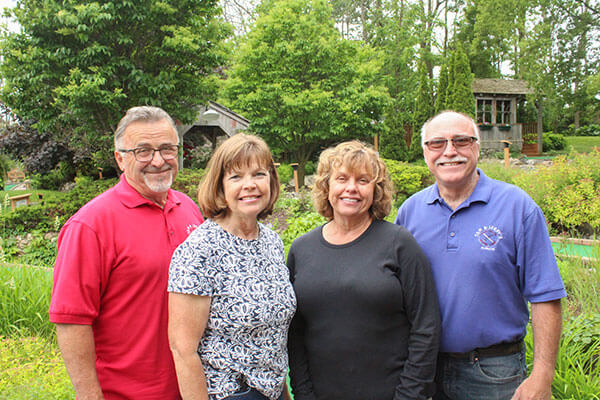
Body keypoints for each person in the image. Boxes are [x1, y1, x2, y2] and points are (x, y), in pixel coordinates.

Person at [395, 111, 566, 400]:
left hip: (494, 371)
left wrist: (542, 375)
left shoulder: (517, 208)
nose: (449, 151)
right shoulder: (410, 212)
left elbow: (545, 295)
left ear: (477, 147)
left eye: (461, 141)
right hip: (424, 369)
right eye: (437, 143)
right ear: (425, 152)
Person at [49, 106, 204, 399]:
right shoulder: (90, 226)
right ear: (120, 158)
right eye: (143, 151)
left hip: (194, 388)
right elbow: (72, 321)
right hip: (127, 392)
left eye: (167, 149)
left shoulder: (189, 208)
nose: (158, 161)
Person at [287, 140, 441, 400]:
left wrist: (409, 395)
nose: (351, 188)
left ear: (376, 190)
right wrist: (304, 393)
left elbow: (426, 327)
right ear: (326, 186)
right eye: (342, 179)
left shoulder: (399, 244)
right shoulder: (302, 250)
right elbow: (295, 332)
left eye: (363, 180)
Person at [168, 133, 296, 400]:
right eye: (236, 177)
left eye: (258, 174)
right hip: (230, 393)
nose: (249, 185)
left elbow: (272, 336)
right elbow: (183, 350)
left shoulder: (271, 241)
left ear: (271, 181)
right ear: (220, 186)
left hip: (271, 391)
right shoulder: (200, 250)